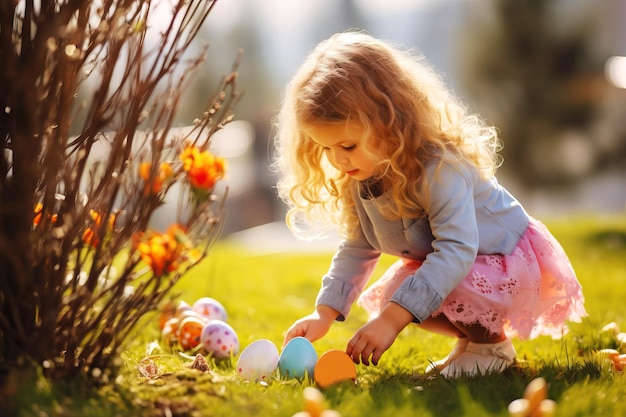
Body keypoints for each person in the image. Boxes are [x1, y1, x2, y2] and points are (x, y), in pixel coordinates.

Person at [274, 31, 586, 378]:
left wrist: (392, 319)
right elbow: (358, 247)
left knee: (413, 293)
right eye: (326, 148)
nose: (338, 160)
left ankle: (491, 347)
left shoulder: (439, 169)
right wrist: (324, 312)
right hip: (468, 264)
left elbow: (457, 251)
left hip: (507, 265)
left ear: (388, 122)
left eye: (347, 146)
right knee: (401, 287)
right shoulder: (363, 176)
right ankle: (472, 345)